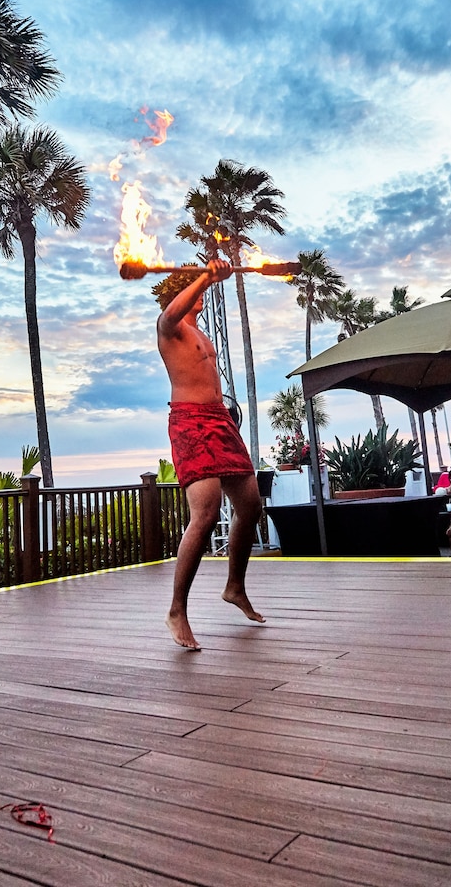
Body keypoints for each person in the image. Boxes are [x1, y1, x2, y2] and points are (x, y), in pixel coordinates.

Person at [155, 259, 264, 650]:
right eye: (195, 288)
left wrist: (208, 276)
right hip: (190, 422)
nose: (202, 292)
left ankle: (234, 587)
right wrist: (204, 276)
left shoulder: (200, 332)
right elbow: (171, 313)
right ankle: (177, 610)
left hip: (220, 420)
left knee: (250, 505)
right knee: (205, 513)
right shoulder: (169, 327)